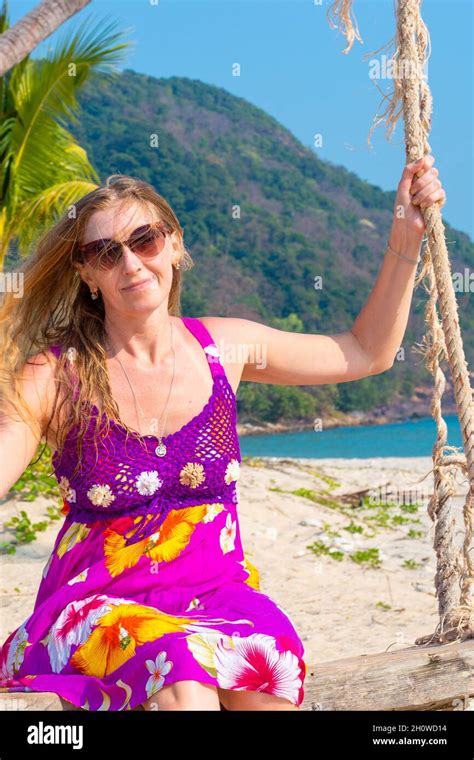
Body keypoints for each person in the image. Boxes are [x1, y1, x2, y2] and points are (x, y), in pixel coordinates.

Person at [0, 158, 445, 711]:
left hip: (218, 594)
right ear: (87, 273)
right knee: (183, 677)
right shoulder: (54, 374)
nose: (132, 263)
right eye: (106, 252)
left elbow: (365, 351)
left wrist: (406, 237)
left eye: (145, 240)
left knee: (266, 672)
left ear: (175, 246)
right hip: (98, 607)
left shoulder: (225, 347)